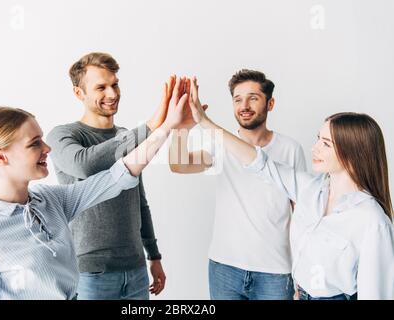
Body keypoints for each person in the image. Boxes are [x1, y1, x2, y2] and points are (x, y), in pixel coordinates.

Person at [0, 76, 188, 299]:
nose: (47, 148)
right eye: (34, 144)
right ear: (0, 156)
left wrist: (166, 127)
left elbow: (119, 175)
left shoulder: (50, 201)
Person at [187, 77, 394, 300]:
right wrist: (193, 125)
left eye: (326, 143)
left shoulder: (372, 221)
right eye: (318, 139)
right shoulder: (310, 189)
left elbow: (376, 293)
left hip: (281, 276)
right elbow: (259, 163)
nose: (314, 148)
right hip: (266, 281)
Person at [47, 52, 176, 299]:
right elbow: (85, 164)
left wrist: (154, 255)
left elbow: (139, 201)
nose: (112, 94)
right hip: (90, 274)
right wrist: (151, 127)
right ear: (79, 93)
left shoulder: (128, 135)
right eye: (101, 87)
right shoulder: (63, 136)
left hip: (136, 269)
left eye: (115, 84)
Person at [169, 70, 306, 300]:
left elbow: (301, 214)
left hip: (275, 273)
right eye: (238, 99)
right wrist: (181, 128)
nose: (244, 105)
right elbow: (179, 165)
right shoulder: (220, 144)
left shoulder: (290, 149)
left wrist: (302, 273)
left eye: (253, 98)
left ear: (270, 103)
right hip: (224, 268)